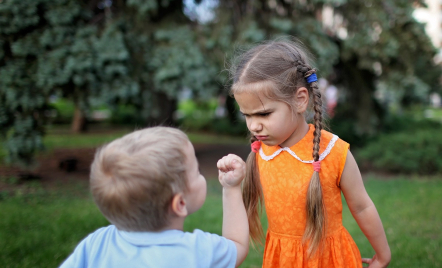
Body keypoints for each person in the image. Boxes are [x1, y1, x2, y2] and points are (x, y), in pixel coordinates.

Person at [229, 40, 391, 268]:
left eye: (264, 114)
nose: (254, 126)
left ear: (300, 99)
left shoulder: (332, 152)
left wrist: (382, 254)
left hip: (329, 260)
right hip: (282, 260)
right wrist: (230, 185)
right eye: (247, 115)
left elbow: (362, 206)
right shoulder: (262, 152)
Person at [59, 127, 249, 268]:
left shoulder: (97, 244)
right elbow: (237, 245)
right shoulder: (199, 252)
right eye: (196, 170)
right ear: (180, 203)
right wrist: (231, 189)